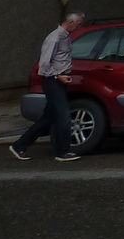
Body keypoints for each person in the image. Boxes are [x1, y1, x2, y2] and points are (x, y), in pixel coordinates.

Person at [9, 11, 85, 161]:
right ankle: (63, 151)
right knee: (63, 115)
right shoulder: (54, 38)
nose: (79, 26)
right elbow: (44, 65)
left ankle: (19, 145)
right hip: (53, 81)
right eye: (79, 23)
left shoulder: (64, 37)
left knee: (49, 117)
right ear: (71, 22)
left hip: (59, 80)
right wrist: (58, 76)